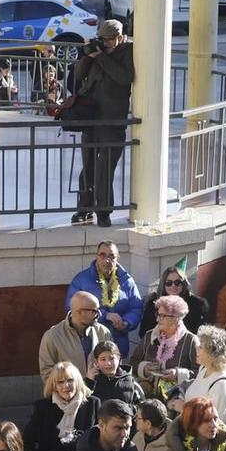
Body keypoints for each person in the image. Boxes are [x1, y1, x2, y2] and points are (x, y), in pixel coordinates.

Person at [67, 21, 134, 226]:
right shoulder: (97, 51)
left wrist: (102, 57)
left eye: (108, 40)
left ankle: (103, 212)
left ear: (120, 37)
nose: (104, 43)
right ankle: (84, 208)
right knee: (88, 167)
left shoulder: (128, 51)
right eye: (102, 39)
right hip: (91, 118)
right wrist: (87, 56)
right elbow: (77, 78)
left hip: (112, 122)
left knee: (104, 169)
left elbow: (124, 77)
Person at [65, 241, 144, 356]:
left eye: (111, 256)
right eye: (102, 255)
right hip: (90, 347)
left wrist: (126, 322)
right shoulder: (82, 280)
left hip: (117, 347)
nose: (107, 260)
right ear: (96, 256)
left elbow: (136, 307)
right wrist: (104, 315)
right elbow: (71, 309)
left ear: (118, 258)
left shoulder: (127, 281)